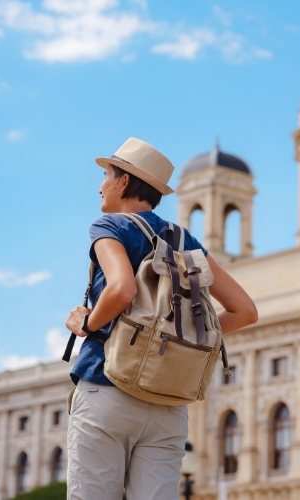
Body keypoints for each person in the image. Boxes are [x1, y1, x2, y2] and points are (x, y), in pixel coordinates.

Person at [64, 137, 258, 499]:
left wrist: (87, 324)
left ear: (124, 181)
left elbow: (121, 289)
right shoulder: (188, 242)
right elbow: (245, 311)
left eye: (107, 175)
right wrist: (178, 335)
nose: (101, 185)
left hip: (108, 386)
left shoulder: (111, 227)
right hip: (169, 401)